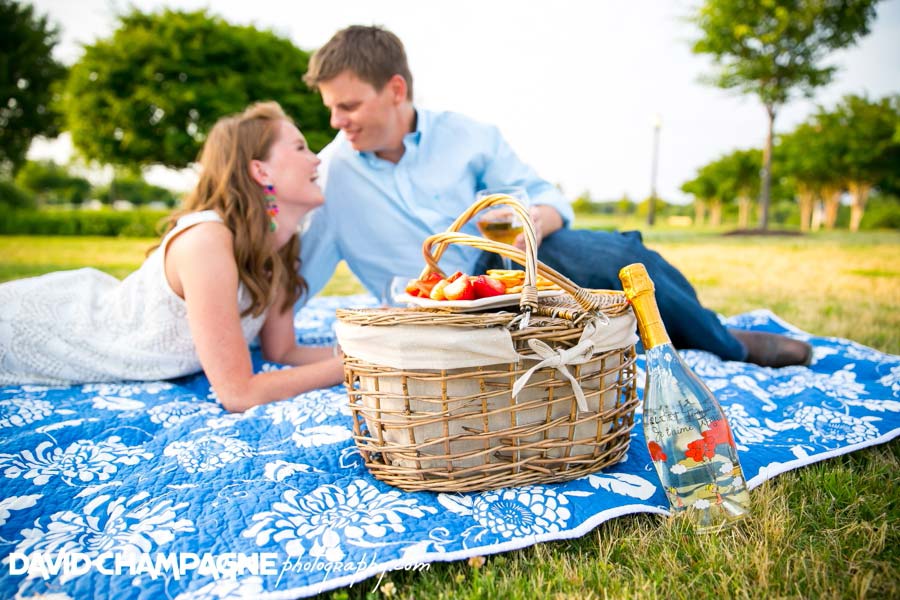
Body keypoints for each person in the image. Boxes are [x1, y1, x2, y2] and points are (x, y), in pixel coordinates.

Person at [298, 25, 812, 369]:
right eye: (330, 109)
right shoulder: (332, 173)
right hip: (430, 308)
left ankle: (726, 344)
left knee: (613, 254)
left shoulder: (469, 135)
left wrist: (531, 224)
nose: (336, 123)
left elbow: (542, 196)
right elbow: (293, 272)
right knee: (598, 260)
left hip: (507, 269)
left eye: (347, 106)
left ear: (394, 89)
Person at [0, 102, 344, 410]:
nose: (316, 159)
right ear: (261, 172)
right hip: (50, 326)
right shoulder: (208, 240)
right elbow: (238, 393)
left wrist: (373, 349)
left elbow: (282, 353)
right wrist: (361, 367)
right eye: (300, 147)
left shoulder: (281, 252)